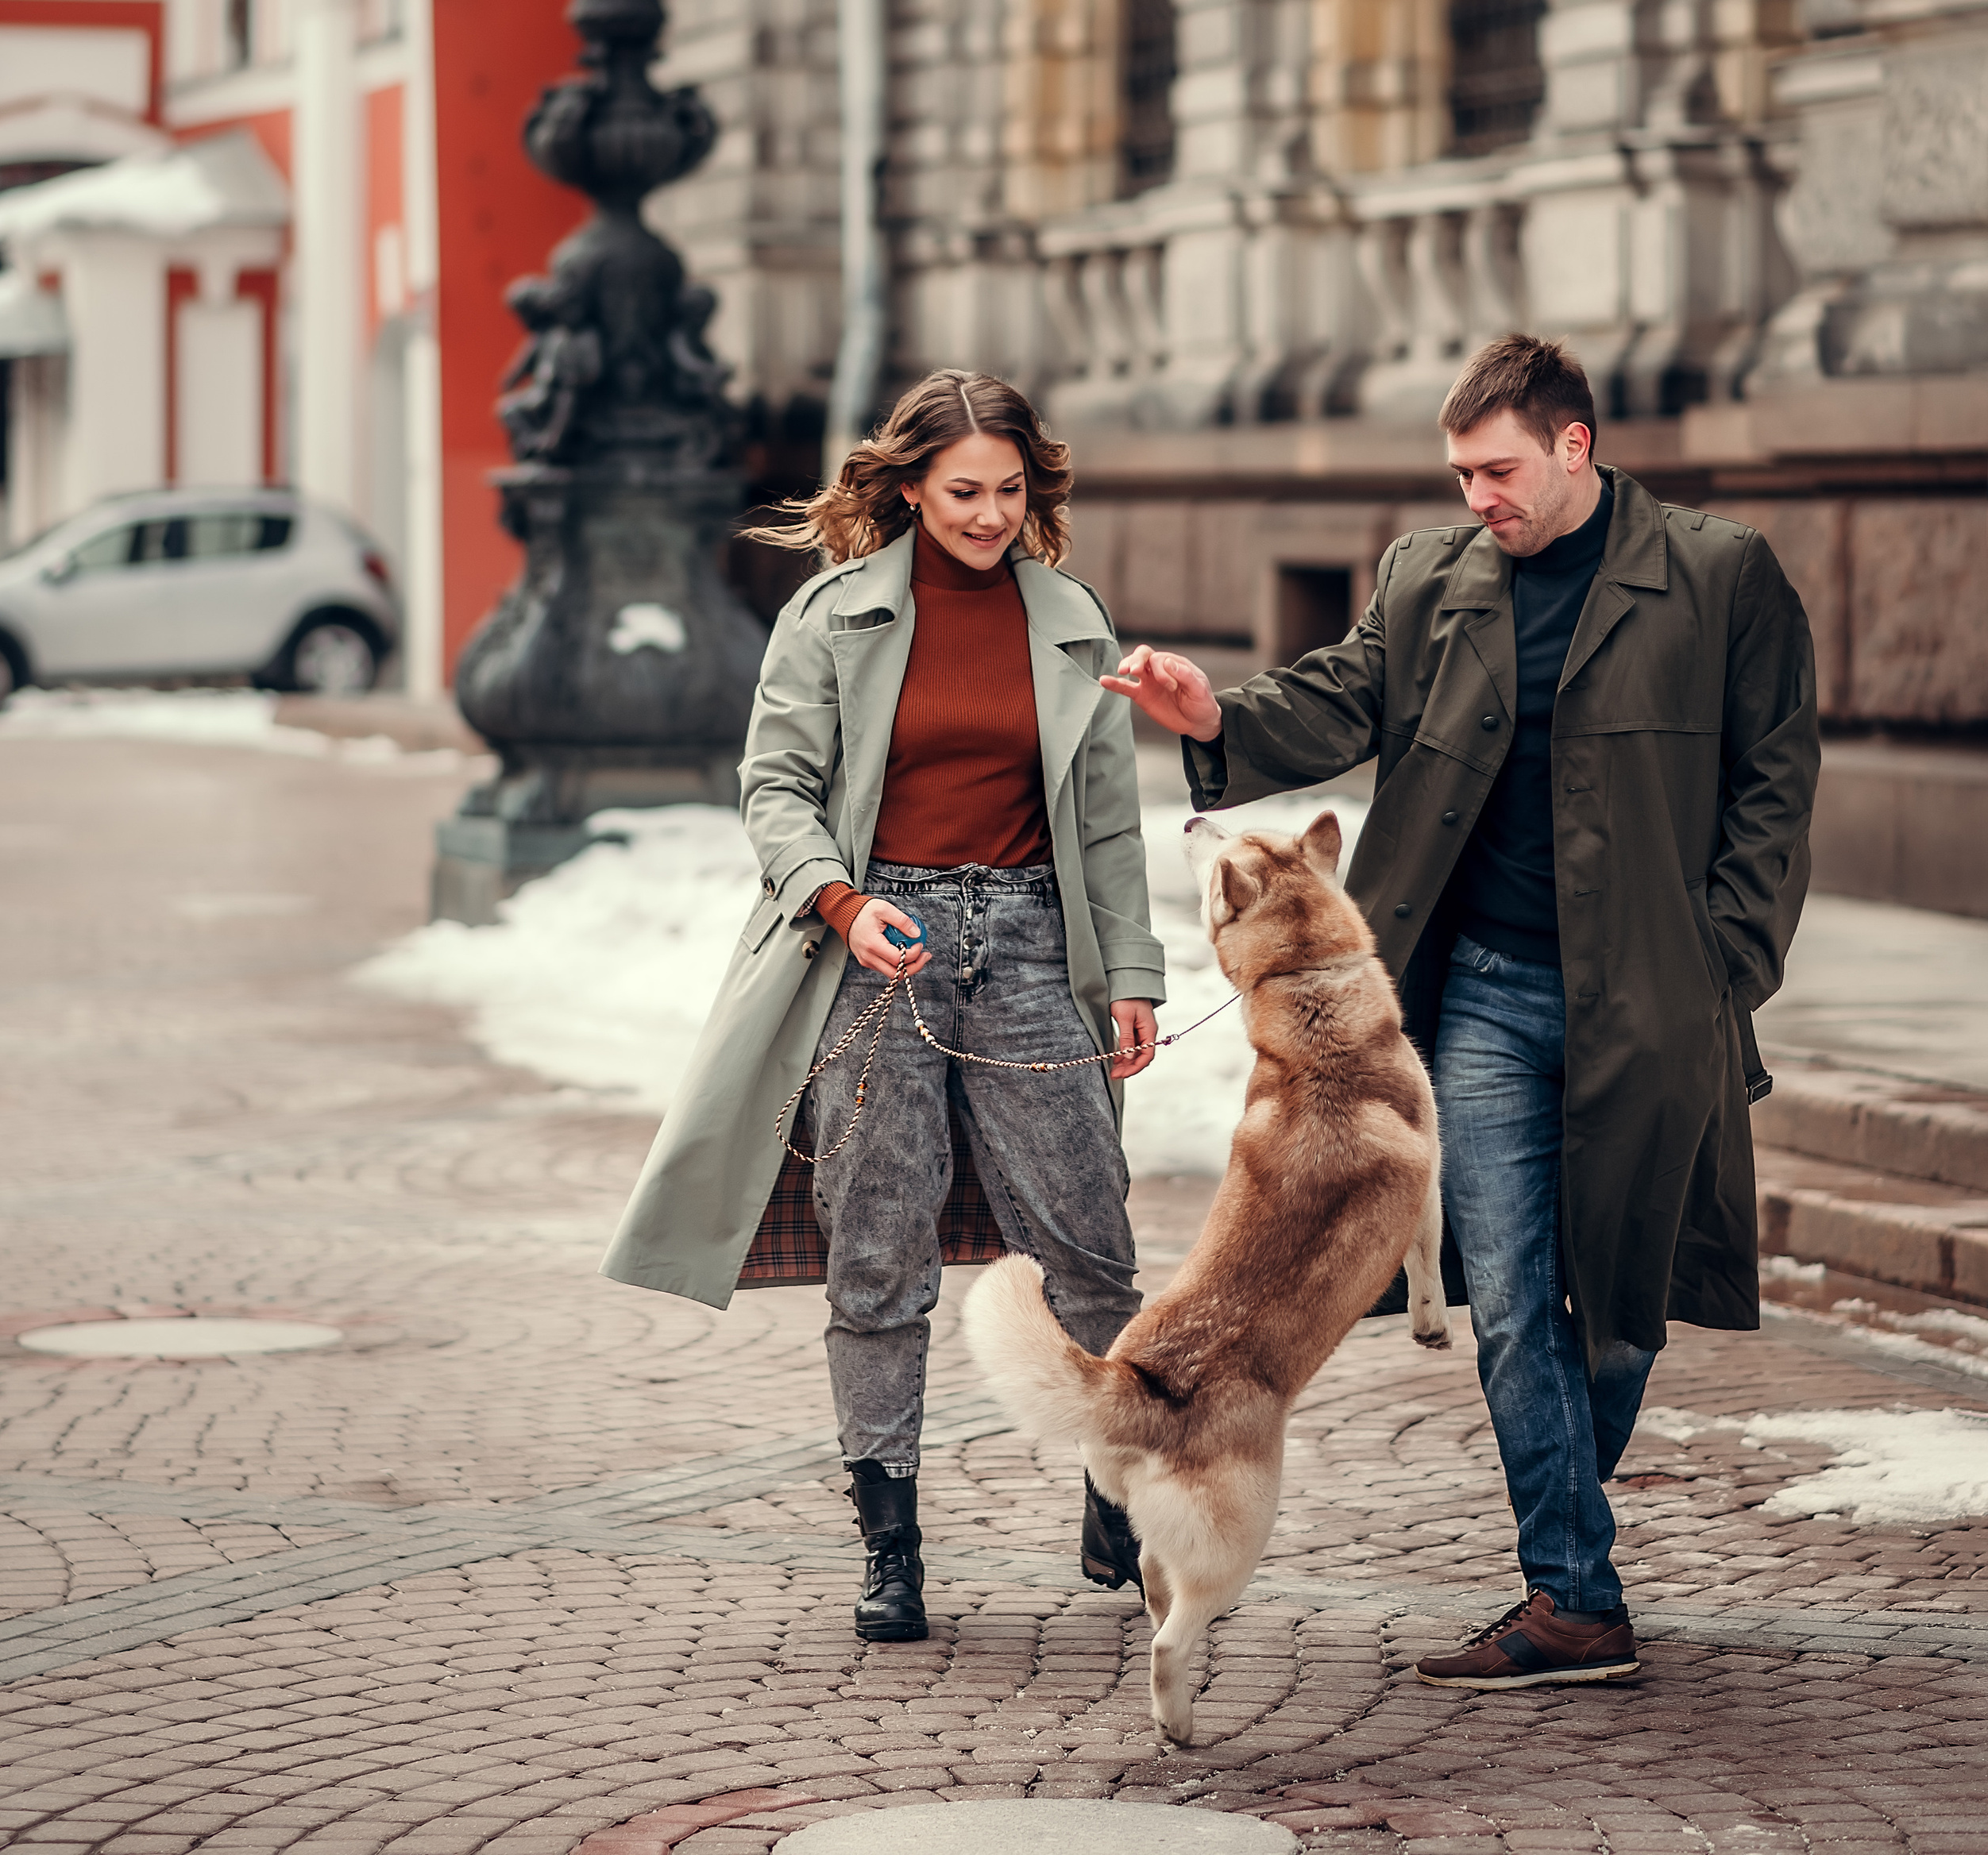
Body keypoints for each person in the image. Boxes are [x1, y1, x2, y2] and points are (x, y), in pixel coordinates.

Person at [1104, 334, 1819, 1690]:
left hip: (1650, 1005)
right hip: (1479, 993)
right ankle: (1574, 1598)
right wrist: (1218, 718)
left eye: (1498, 470)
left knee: (1621, 1306)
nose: (1477, 495)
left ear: (1574, 448)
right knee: (1503, 1292)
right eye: (1461, 471)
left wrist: (1723, 970)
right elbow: (1344, 695)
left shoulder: (1719, 577)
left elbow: (1775, 791)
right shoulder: (1429, 577)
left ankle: (1566, 1538)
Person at [600, 369, 1167, 1644]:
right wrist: (845, 904)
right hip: (878, 952)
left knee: (1091, 1247)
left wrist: (1132, 971)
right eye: (965, 492)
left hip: (1031, 946)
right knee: (877, 1257)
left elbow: (1109, 822)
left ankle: (1115, 1485)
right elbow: (775, 790)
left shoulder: (1070, 616)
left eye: (1010, 492)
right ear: (909, 486)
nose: (989, 516)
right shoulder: (832, 617)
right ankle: (890, 1542)